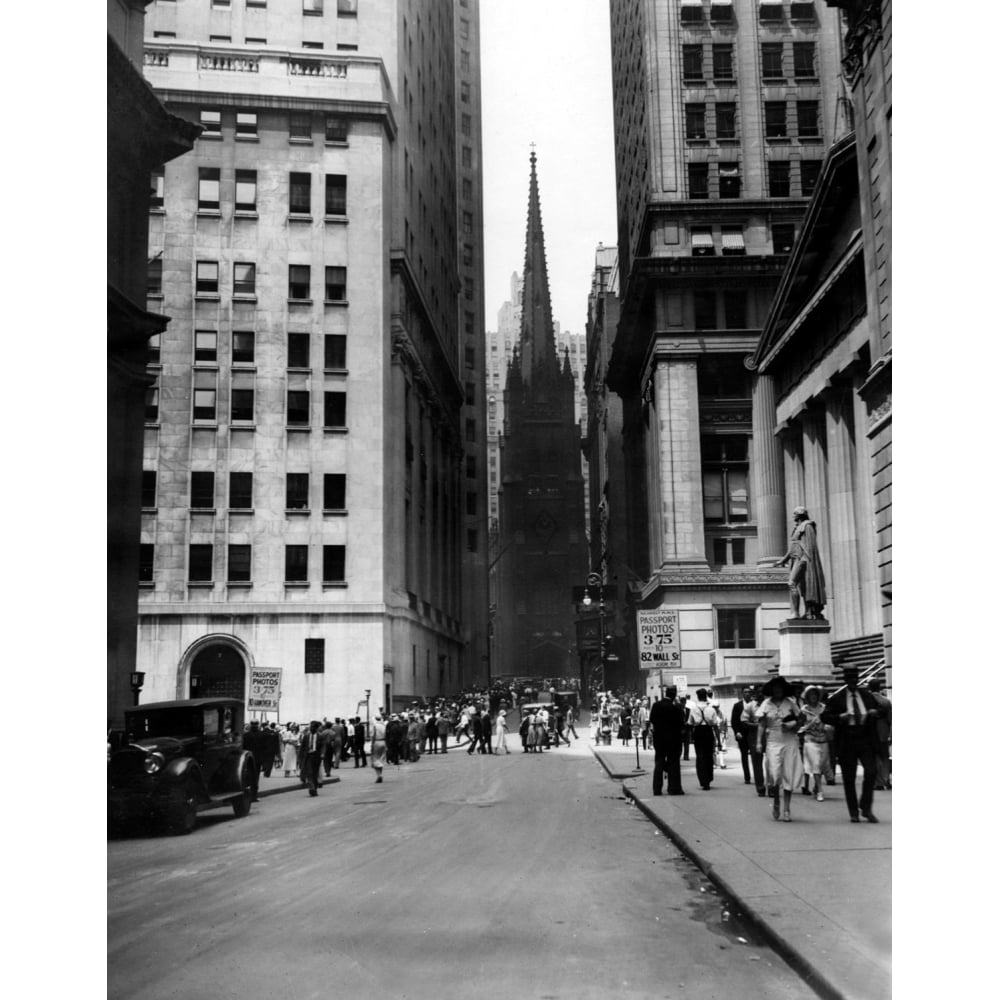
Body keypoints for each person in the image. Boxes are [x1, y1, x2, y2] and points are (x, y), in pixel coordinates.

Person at [822, 667, 885, 823]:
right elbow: (825, 716)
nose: (853, 681)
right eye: (850, 678)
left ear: (858, 679)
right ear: (845, 680)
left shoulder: (866, 696)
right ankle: (853, 812)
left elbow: (882, 710)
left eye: (855, 678)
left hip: (865, 738)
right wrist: (839, 717)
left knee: (871, 772)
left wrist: (875, 713)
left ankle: (866, 807)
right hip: (847, 740)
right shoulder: (837, 698)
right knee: (849, 778)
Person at [757, 676, 804, 822]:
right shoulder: (766, 704)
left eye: (780, 687)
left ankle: (787, 808)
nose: (778, 690)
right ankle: (776, 800)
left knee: (788, 774)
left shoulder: (790, 703)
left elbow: (801, 719)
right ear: (772, 689)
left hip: (789, 740)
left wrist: (793, 725)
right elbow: (761, 724)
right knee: (775, 774)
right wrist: (759, 742)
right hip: (773, 741)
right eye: (775, 687)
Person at [776, 506, 827, 620]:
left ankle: (795, 613)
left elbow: (811, 546)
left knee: (792, 583)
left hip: (803, 560)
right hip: (796, 560)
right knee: (803, 587)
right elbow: (794, 546)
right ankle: (808, 613)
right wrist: (783, 560)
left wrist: (806, 561)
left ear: (800, 515)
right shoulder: (797, 528)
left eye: (795, 513)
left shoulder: (807, 526)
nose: (793, 515)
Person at [649, 687, 687, 796]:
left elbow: (652, 720)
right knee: (674, 764)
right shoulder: (677, 709)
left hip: (659, 740)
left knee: (659, 763)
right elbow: (681, 724)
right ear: (674, 695)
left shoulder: (656, 705)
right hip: (673, 741)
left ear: (665, 693)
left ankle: (657, 789)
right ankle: (674, 788)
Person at [799, 686, 831, 801]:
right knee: (816, 764)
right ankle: (820, 791)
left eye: (815, 694)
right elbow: (800, 725)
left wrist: (828, 726)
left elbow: (829, 721)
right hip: (810, 740)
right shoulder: (804, 710)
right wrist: (807, 726)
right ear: (807, 697)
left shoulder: (824, 708)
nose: (813, 696)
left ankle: (816, 785)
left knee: (821, 765)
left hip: (823, 739)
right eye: (811, 694)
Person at [689, 688, 721, 790]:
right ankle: (708, 778)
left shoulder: (693, 709)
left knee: (700, 757)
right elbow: (715, 726)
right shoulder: (711, 709)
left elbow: (690, 723)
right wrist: (719, 740)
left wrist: (690, 737)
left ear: (698, 697)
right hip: (708, 732)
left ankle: (702, 779)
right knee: (708, 756)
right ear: (706, 696)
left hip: (698, 732)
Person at [867, 680, 892, 790]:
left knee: (874, 757)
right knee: (885, 756)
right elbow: (890, 719)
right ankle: (886, 779)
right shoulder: (886, 701)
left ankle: (878, 782)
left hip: (871, 732)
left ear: (869, 687)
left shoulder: (867, 700)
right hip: (884, 731)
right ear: (879, 687)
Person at [731, 687, 755, 785]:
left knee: (755, 757)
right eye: (745, 692)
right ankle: (747, 777)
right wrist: (737, 732)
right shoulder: (737, 706)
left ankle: (757, 775)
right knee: (744, 756)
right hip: (742, 735)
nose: (747, 694)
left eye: (749, 692)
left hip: (753, 734)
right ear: (742, 694)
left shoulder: (755, 705)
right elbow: (734, 721)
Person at [302, 720, 323, 797]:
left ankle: (314, 789)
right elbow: (302, 747)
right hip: (308, 756)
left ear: (316, 728)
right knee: (309, 773)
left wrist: (322, 754)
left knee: (315, 774)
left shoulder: (320, 736)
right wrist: (300, 757)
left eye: (313, 727)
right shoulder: (306, 736)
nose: (311, 728)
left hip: (316, 756)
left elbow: (323, 746)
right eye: (311, 727)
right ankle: (311, 788)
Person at [369, 713, 387, 783]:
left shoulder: (374, 726)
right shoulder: (384, 726)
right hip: (383, 742)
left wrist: (372, 745)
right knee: (381, 759)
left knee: (375, 759)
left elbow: (372, 736)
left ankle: (379, 775)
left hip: (377, 742)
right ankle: (380, 774)